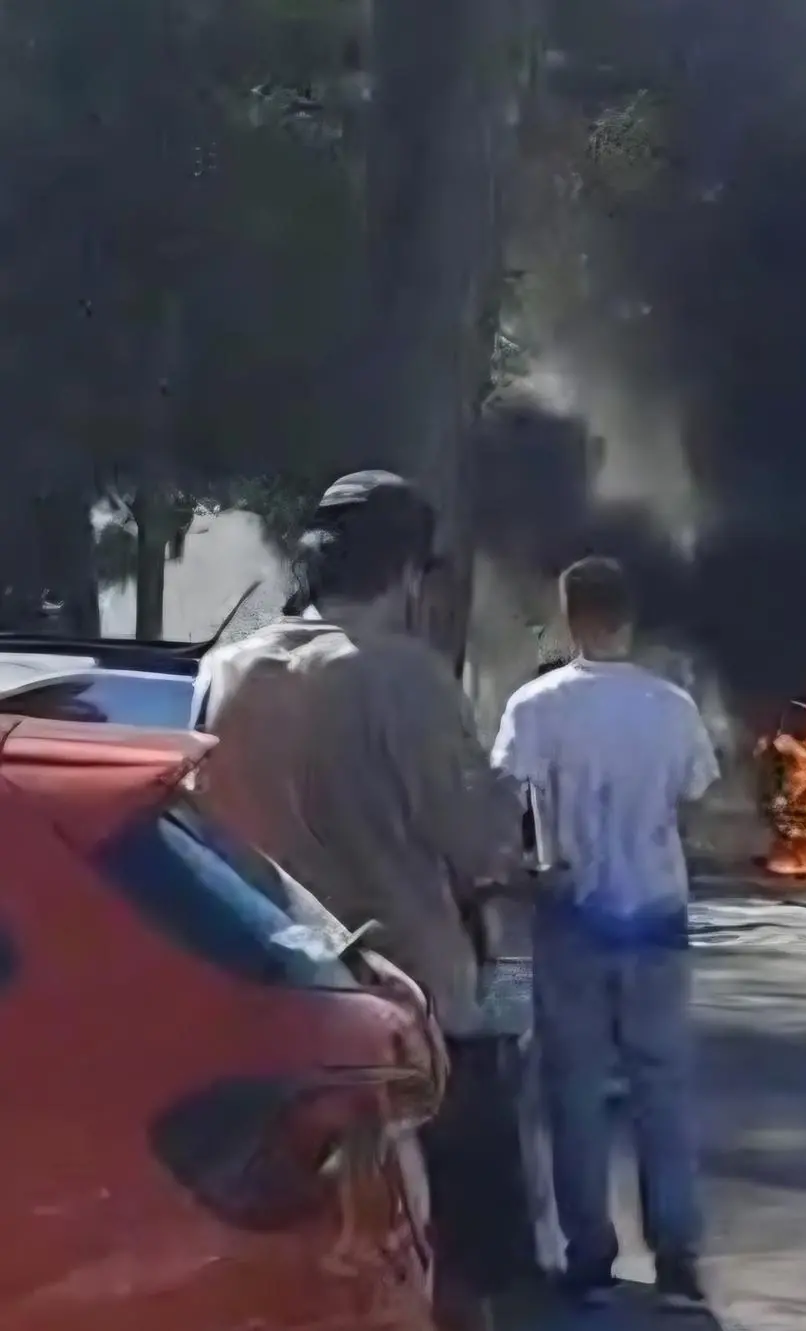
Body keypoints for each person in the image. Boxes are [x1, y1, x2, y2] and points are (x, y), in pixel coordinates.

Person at [190, 470, 528, 1331]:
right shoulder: (402, 677)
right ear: (408, 573)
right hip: (412, 1019)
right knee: (455, 1273)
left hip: (267, 1010)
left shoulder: (223, 668)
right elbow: (478, 841)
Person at [491, 556, 719, 1314]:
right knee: (663, 1087)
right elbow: (692, 805)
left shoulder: (535, 704)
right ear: (630, 617)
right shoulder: (673, 707)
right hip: (657, 918)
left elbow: (514, 806)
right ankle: (678, 1255)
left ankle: (590, 1257)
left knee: (575, 1092)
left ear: (567, 615)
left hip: (572, 918)